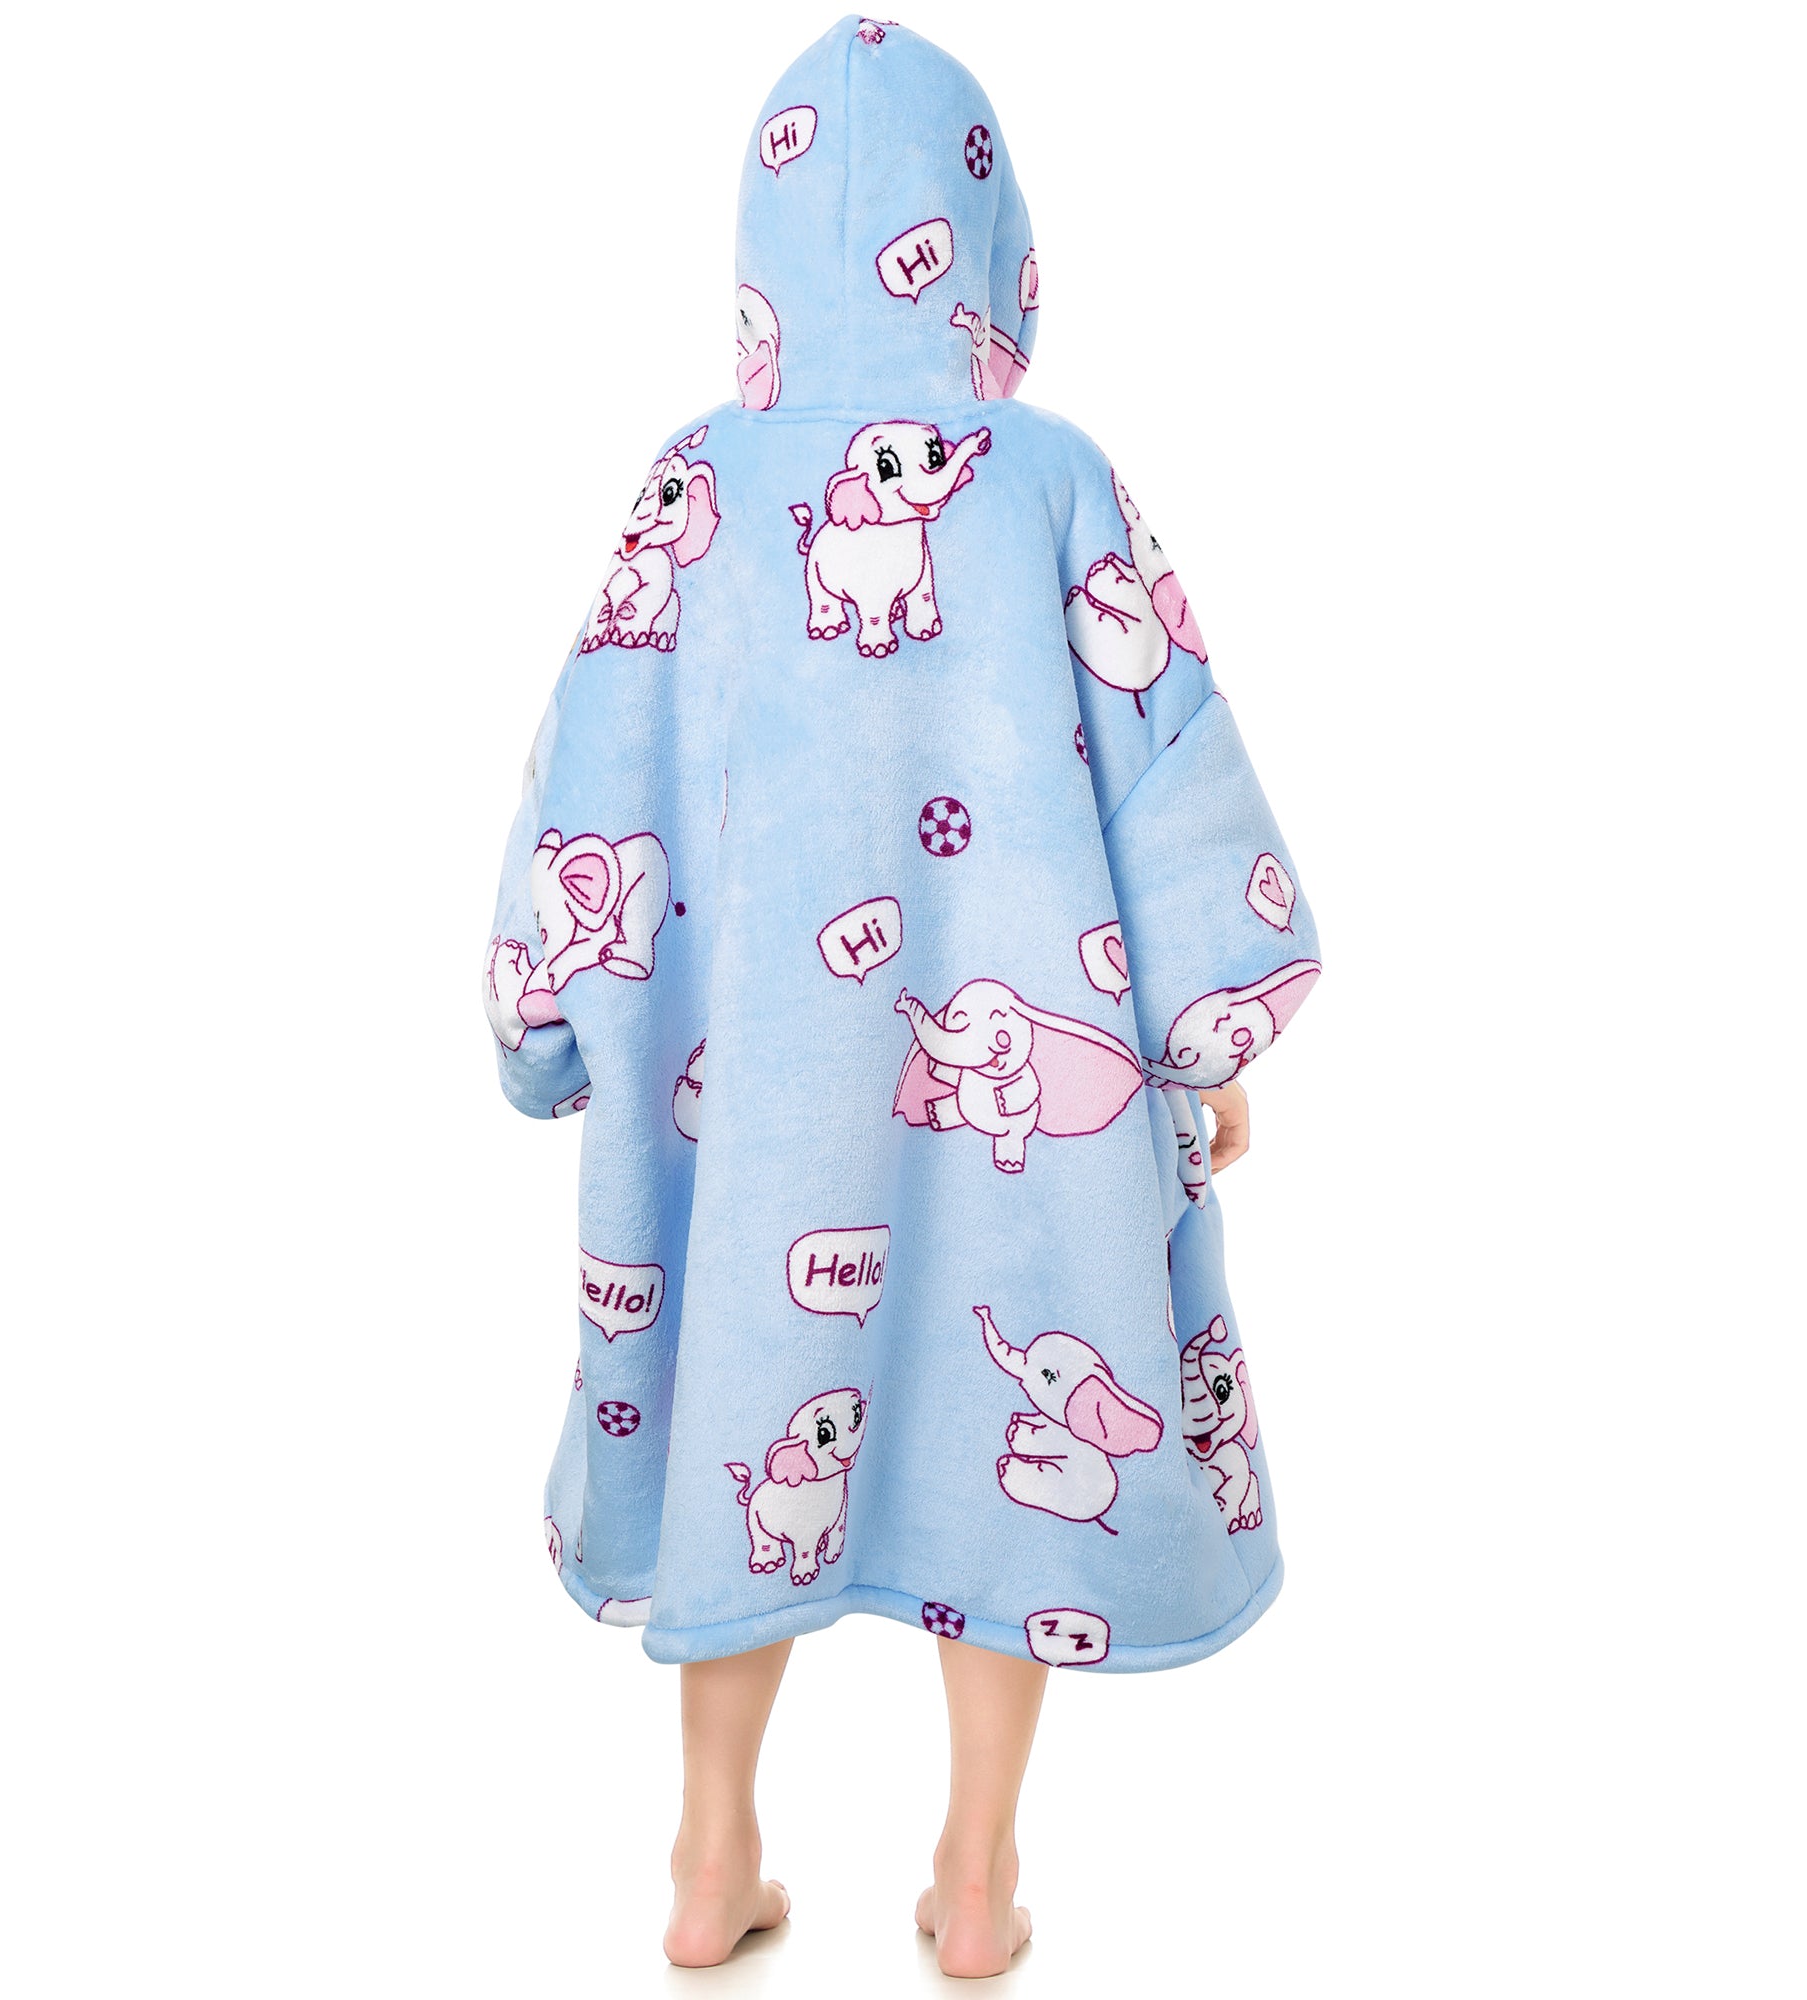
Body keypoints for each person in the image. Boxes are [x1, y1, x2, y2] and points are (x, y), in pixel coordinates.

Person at [481, 17, 1322, 1976]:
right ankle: (975, 1877)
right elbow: (1171, 767)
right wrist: (1203, 1039)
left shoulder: (688, 489)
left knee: (739, 1431)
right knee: (1010, 1436)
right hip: (1027, 1138)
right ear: (992, 239)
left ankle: (710, 1861)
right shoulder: (1053, 482)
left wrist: (543, 1020)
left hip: (748, 1124)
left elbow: (585, 777)